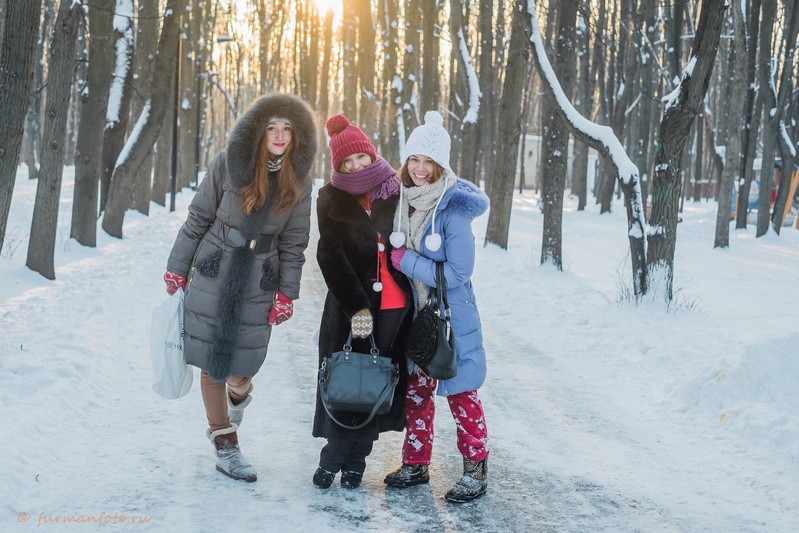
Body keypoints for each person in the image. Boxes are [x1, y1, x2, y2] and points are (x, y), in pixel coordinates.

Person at [164, 93, 317, 483]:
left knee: (240, 368)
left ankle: (237, 393)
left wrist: (287, 292)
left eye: (287, 128)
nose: (280, 135)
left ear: (297, 135)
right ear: (259, 130)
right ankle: (225, 445)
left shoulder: (300, 180)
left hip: (259, 277)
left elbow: (295, 243)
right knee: (212, 359)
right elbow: (198, 217)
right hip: (216, 266)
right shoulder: (227, 163)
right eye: (272, 127)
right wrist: (177, 267)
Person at [384, 111, 491, 503]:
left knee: (462, 393)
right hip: (417, 317)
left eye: (429, 161)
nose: (421, 168)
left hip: (452, 316)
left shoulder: (452, 209)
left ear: (441, 165)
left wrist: (406, 262)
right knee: (417, 392)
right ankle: (416, 464)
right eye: (415, 159)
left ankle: (476, 469)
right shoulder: (402, 200)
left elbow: (460, 270)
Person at [312, 114, 413, 489]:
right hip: (350, 307)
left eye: (360, 158)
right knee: (346, 383)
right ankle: (332, 459)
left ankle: (356, 465)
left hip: (395, 306)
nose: (355, 167)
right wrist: (356, 307)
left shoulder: (396, 191)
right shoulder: (330, 199)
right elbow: (330, 256)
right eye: (346, 163)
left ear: (371, 154)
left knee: (375, 385)